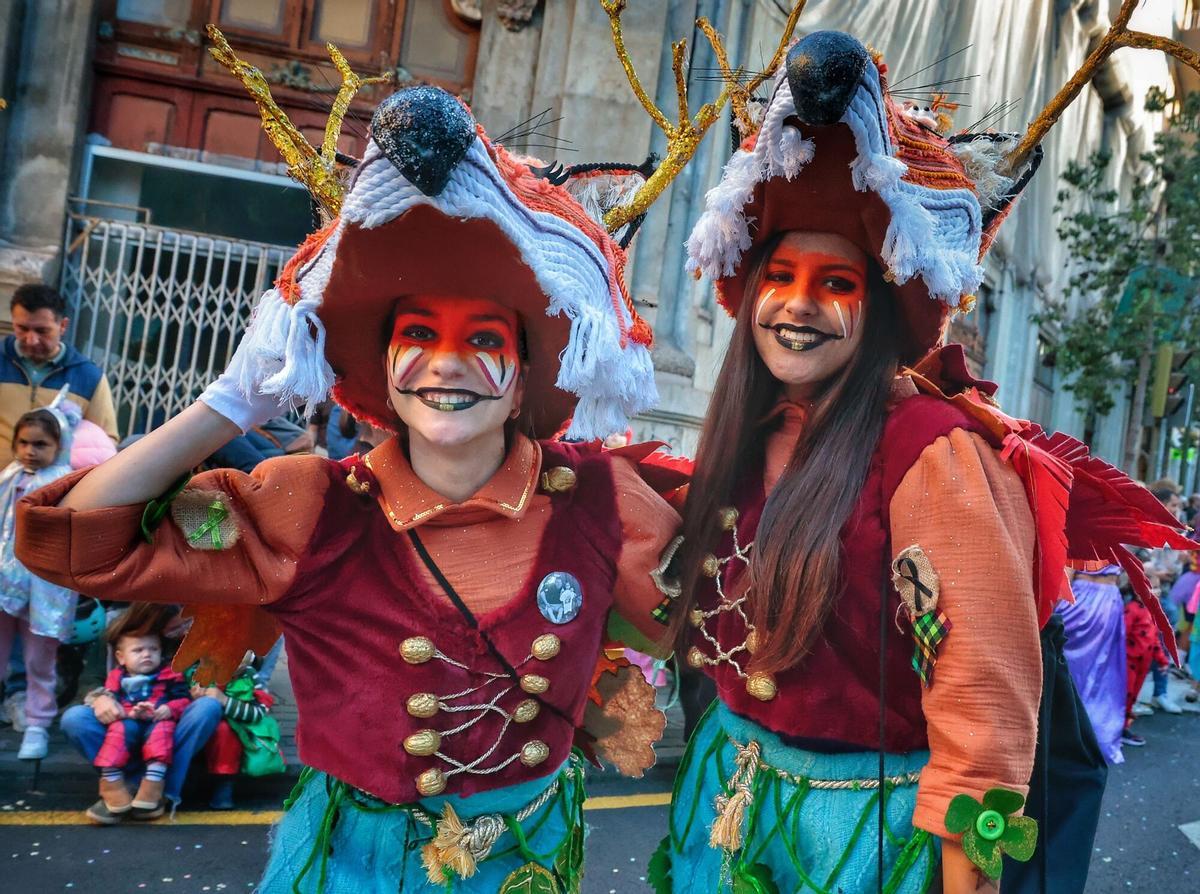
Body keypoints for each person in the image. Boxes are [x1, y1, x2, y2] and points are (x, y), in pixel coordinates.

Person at [17, 85, 682, 891]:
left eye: (483, 339)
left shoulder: (605, 502)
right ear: (383, 371)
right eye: (417, 336)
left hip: (523, 868)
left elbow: (757, 623)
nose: (447, 362)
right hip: (345, 868)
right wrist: (224, 406)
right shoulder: (304, 505)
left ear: (524, 380)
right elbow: (80, 544)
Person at [661, 31, 1193, 894]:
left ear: (879, 305)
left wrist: (962, 880)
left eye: (836, 283)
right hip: (724, 809)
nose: (797, 305)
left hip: (867, 839)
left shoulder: (934, 455)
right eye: (780, 274)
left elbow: (983, 703)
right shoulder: (750, 432)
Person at [58, 603, 223, 822]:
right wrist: (100, 698)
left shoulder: (195, 632)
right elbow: (89, 679)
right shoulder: (115, 633)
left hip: (168, 721)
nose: (183, 630)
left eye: (187, 623)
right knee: (74, 718)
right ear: (152, 622)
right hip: (123, 722)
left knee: (207, 708)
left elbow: (249, 659)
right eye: (174, 629)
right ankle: (131, 788)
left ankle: (159, 790)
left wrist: (210, 681)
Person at [0, 399, 80, 759]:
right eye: (24, 443)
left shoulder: (64, 484)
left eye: (41, 444)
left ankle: (37, 723)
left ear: (59, 445)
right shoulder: (8, 477)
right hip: (4, 582)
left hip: (45, 587)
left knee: (38, 658)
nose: (30, 451)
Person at [90, 614, 192, 823]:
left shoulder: (170, 674)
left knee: (161, 738)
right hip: (128, 720)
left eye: (153, 650)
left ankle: (152, 786)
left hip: (157, 720)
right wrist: (124, 711)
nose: (147, 655)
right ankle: (113, 785)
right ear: (121, 657)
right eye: (138, 650)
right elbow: (111, 697)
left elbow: (184, 698)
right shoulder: (117, 677)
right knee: (116, 737)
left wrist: (168, 709)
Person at [0, 284, 118, 463]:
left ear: (62, 326)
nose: (31, 340)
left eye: (42, 331)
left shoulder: (89, 377)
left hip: (52, 488)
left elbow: (105, 443)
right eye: (22, 329)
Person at [191, 652, 283, 810]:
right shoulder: (198, 673)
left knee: (225, 731)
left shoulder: (250, 677)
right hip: (201, 734)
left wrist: (225, 701)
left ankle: (224, 784)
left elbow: (258, 712)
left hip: (235, 733)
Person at [1058, 567, 1127, 764]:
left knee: (1072, 670)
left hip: (1087, 597)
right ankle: (1091, 738)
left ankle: (1072, 737)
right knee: (1100, 673)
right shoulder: (1124, 535)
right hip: (1107, 597)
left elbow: (1067, 570)